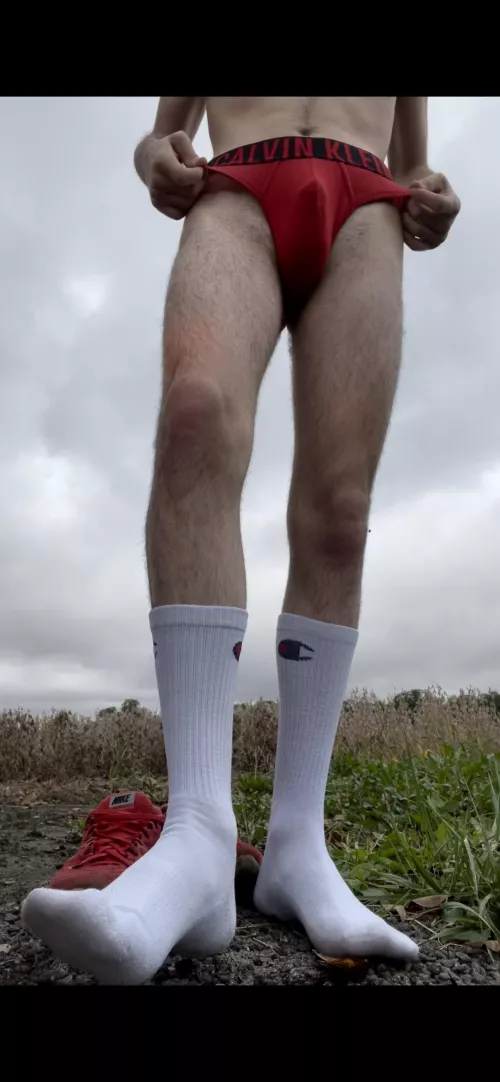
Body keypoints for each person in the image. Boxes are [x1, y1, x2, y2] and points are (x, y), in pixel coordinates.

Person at [22, 97, 460, 984]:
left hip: (366, 209)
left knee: (340, 509)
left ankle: (298, 846)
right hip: (238, 189)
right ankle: (197, 835)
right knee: (196, 416)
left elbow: (417, 163)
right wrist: (153, 157)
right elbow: (162, 134)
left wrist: (431, 194)